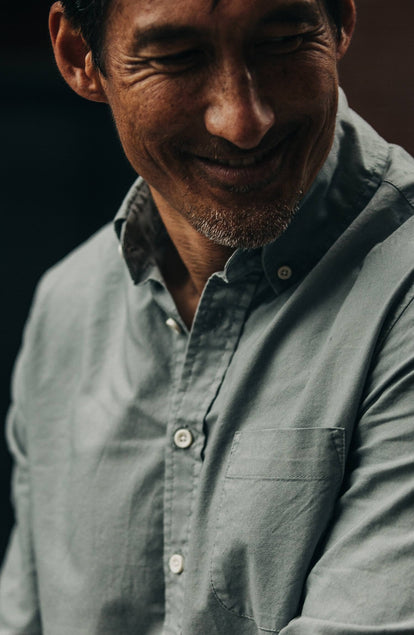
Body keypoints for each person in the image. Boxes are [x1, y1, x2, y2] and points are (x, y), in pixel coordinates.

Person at [1, 0, 414, 632]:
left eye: (282, 41)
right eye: (177, 57)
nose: (242, 120)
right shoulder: (67, 308)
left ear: (342, 24)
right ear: (79, 58)